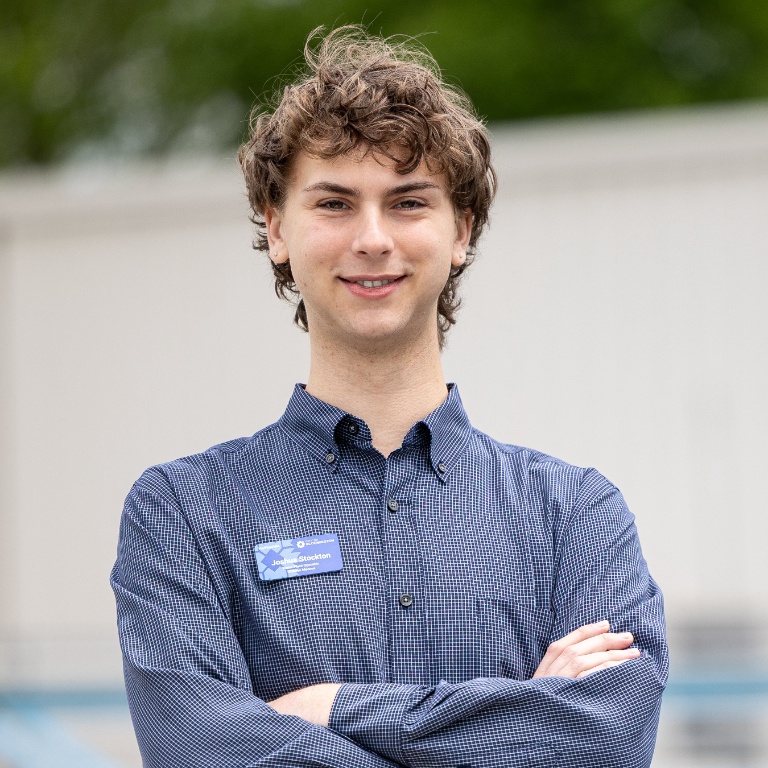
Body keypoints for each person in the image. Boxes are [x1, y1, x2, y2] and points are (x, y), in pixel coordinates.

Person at [111, 26, 667, 768]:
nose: (372, 238)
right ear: (276, 228)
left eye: (408, 203)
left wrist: (330, 710)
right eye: (335, 204)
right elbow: (203, 752)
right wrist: (517, 721)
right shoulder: (182, 514)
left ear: (461, 230)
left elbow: (606, 739)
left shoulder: (576, 516)